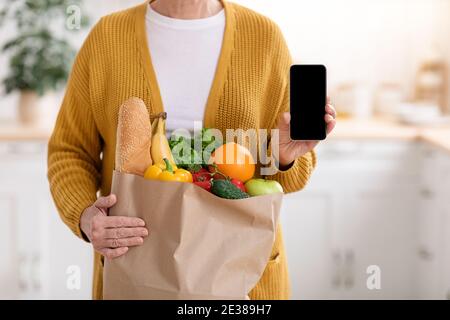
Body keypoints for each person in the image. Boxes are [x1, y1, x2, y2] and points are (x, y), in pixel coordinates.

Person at [47, 0, 336, 300]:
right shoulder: (108, 37)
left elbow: (290, 179)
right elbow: (70, 151)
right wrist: (85, 216)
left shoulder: (264, 37)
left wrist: (284, 155)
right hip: (136, 272)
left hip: (246, 282)